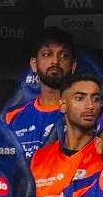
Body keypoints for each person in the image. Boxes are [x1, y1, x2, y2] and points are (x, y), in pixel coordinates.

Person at [27, 72, 103, 197]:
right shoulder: (38, 158)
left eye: (96, 99)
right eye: (80, 98)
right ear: (62, 104)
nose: (90, 106)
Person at [4, 28, 79, 158]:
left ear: (73, 66)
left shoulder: (83, 114)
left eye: (63, 55)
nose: (55, 61)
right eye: (47, 54)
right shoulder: (12, 116)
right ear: (34, 64)